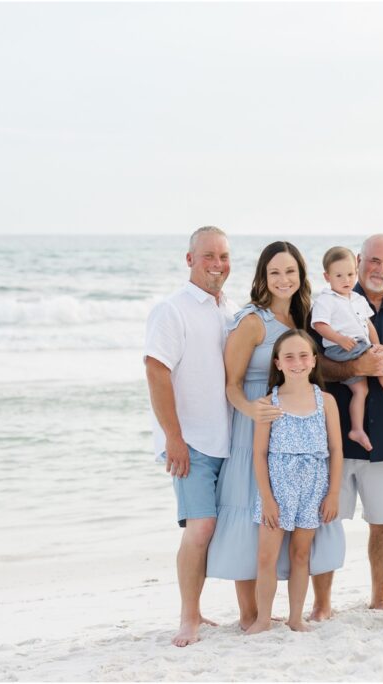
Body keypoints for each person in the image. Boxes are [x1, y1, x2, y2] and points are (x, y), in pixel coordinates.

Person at [205, 241, 345, 629]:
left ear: (301, 276)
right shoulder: (252, 321)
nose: (284, 280)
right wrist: (252, 410)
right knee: (252, 519)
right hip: (256, 421)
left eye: (290, 272)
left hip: (297, 422)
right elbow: (230, 384)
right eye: (275, 272)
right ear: (263, 278)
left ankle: (295, 610)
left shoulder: (303, 320)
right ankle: (252, 615)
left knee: (292, 525)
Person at [310, 234, 383, 615]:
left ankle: (380, 600)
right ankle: (323, 604)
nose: (381, 270)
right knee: (327, 522)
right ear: (360, 261)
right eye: (375, 261)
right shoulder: (328, 302)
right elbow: (310, 364)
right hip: (336, 437)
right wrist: (355, 367)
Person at [143, 226, 236, 647]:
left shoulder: (230, 310)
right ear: (190, 259)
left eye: (224, 256)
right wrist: (173, 437)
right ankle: (188, 618)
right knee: (200, 529)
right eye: (209, 256)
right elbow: (156, 369)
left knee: (227, 528)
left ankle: (215, 609)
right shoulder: (172, 310)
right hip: (192, 442)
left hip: (231, 439)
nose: (218, 265)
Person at [246, 330, 344, 634]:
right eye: (289, 356)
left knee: (301, 554)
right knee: (267, 556)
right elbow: (259, 454)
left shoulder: (325, 401)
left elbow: (336, 450)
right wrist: (268, 497)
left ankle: (295, 618)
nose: (297, 362)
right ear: (277, 363)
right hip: (278, 487)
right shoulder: (268, 403)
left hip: (313, 487)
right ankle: (263, 619)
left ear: (314, 361)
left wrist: (332, 495)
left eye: (303, 355)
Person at [311, 246, 383, 453]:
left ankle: (356, 429)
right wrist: (339, 339)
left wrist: (376, 345)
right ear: (327, 276)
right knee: (382, 363)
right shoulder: (326, 300)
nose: (346, 280)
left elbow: (368, 325)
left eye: (350, 274)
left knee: (361, 390)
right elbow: (319, 325)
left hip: (359, 345)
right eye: (339, 275)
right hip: (341, 349)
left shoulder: (357, 299)